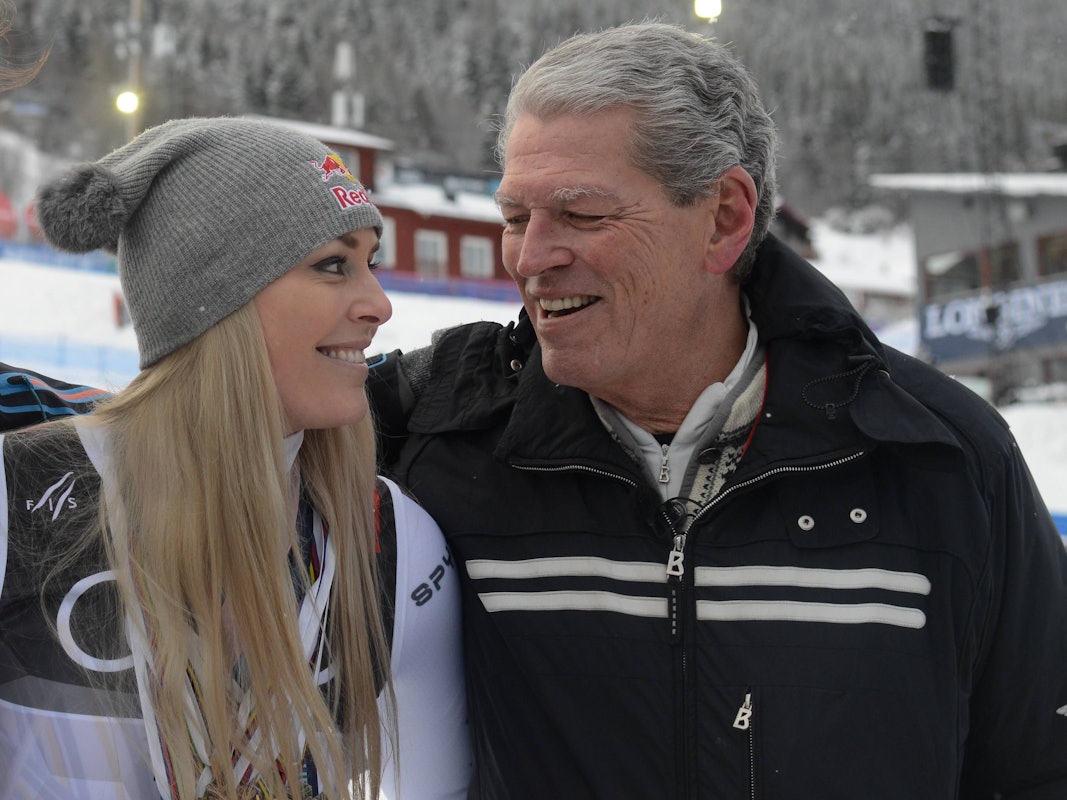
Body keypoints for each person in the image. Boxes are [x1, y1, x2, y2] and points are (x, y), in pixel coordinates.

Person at [365, 22, 1067, 799]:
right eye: (514, 218)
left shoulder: (939, 458)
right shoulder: (438, 432)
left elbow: (1038, 764)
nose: (531, 258)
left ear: (725, 218)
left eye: (582, 215)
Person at [0, 118, 470, 800]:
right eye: (333, 264)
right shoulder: (20, 497)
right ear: (216, 300)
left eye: (371, 262)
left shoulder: (391, 540)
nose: (378, 303)